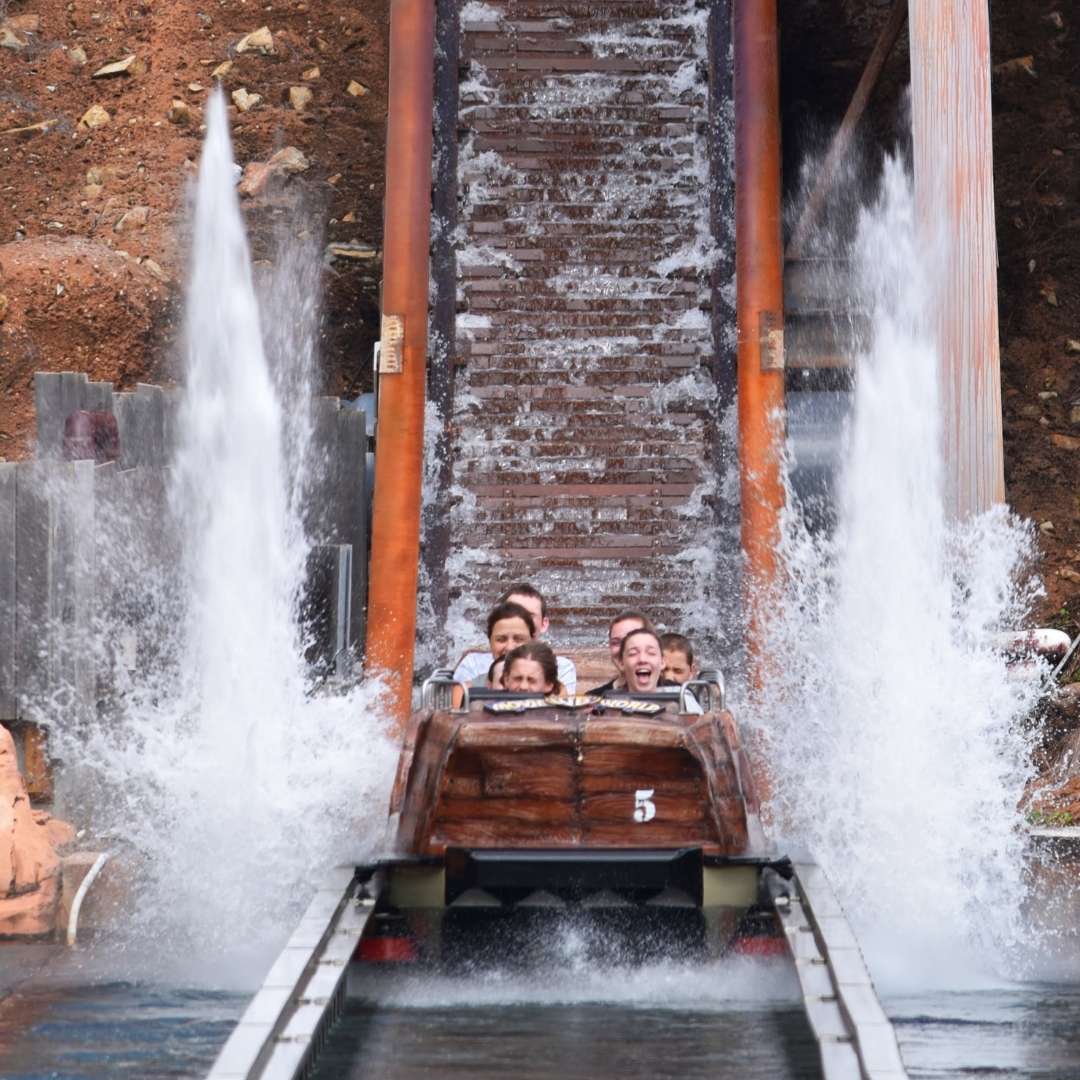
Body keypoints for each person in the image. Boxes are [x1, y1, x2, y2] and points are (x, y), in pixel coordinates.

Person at [452, 583, 577, 692]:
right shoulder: (473, 664)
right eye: (511, 611)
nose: (510, 647)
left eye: (518, 638)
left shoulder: (561, 668)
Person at [612, 628, 702, 712]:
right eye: (633, 654)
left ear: (661, 662)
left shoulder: (684, 697)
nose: (669, 677)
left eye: (651, 653)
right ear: (621, 663)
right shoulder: (610, 698)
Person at [587, 609, 655, 694]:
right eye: (615, 642)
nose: (623, 649)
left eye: (632, 640)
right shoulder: (594, 699)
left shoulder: (674, 693)